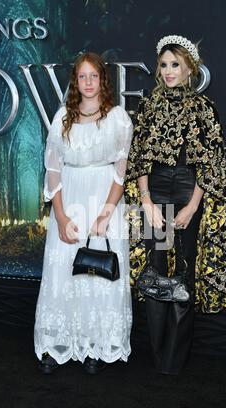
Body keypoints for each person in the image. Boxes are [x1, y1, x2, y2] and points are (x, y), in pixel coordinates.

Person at [124, 35, 226, 375]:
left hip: (189, 190)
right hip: (155, 191)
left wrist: (191, 207)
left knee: (184, 272)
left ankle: (175, 359)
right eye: (164, 65)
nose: (169, 70)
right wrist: (147, 201)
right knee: (157, 270)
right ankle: (159, 357)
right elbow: (138, 158)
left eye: (175, 64)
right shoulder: (148, 105)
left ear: (190, 68)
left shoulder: (204, 108)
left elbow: (212, 162)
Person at [34, 52, 133, 374]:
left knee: (98, 274)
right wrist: (60, 217)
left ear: (103, 79)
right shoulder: (62, 116)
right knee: (64, 272)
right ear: (74, 81)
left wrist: (105, 214)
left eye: (94, 76)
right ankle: (56, 345)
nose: (88, 82)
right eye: (82, 76)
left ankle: (97, 346)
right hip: (70, 201)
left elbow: (121, 170)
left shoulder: (118, 117)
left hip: (105, 202)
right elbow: (53, 169)